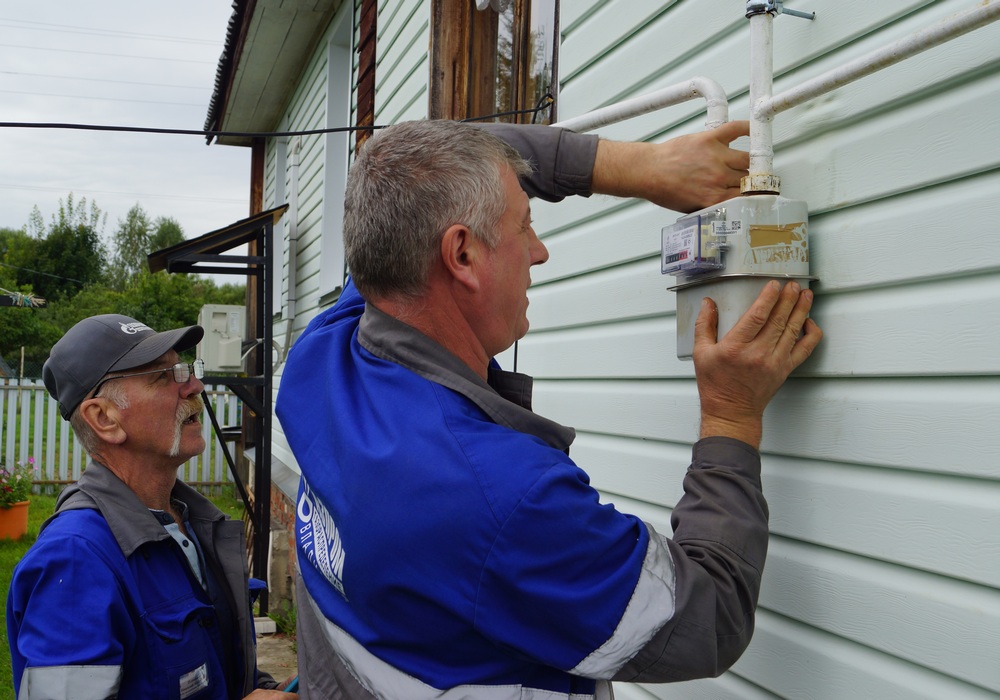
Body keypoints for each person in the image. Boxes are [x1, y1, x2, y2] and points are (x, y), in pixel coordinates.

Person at [275, 118, 822, 698]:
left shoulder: (323, 354)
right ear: (461, 253)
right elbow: (705, 620)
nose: (539, 252)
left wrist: (644, 168)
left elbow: (435, 155)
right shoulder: (499, 499)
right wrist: (731, 417)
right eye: (524, 225)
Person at [6, 315, 298, 700]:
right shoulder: (75, 562)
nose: (194, 384)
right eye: (164, 375)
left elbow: (214, 668)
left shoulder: (191, 523)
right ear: (104, 419)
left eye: (187, 369)